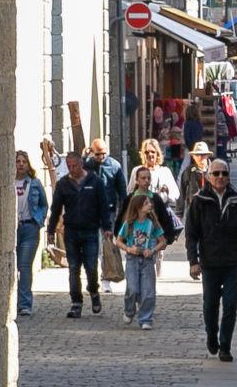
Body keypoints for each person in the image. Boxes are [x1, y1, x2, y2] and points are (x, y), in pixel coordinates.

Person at [184, 159, 237, 361]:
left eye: (224, 173)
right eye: (216, 173)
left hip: (233, 261)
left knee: (231, 305)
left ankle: (225, 345)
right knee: (210, 305)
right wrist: (193, 261)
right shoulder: (200, 200)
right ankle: (211, 334)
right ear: (209, 177)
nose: (220, 177)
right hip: (210, 262)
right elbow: (191, 234)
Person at [46, 149, 116, 319]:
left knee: (91, 266)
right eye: (69, 166)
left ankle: (93, 292)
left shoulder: (95, 182)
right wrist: (51, 230)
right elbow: (56, 209)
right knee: (73, 267)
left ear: (81, 164)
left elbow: (103, 206)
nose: (72, 169)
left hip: (90, 230)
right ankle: (76, 302)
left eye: (74, 166)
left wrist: (107, 227)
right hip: (71, 231)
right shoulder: (63, 184)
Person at [114, 189, 168, 330]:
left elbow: (163, 242)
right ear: (138, 207)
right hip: (132, 259)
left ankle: (146, 318)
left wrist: (153, 250)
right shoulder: (129, 224)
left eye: (149, 203)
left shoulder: (152, 224)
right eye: (146, 203)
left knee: (148, 291)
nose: (150, 205)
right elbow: (118, 241)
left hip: (147, 261)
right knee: (133, 289)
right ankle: (129, 310)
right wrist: (129, 249)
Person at [87, 137, 130, 295]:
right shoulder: (87, 166)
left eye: (104, 153)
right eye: (98, 154)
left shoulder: (114, 166)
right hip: (90, 211)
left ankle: (106, 279)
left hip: (109, 211)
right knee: (93, 246)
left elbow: (122, 191)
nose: (101, 157)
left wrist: (124, 212)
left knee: (106, 245)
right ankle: (93, 278)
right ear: (92, 152)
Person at [14, 149, 48, 318]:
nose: (21, 164)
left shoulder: (34, 183)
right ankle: (11, 303)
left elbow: (44, 204)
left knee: (24, 266)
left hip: (29, 228)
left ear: (28, 164)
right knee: (12, 268)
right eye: (18, 161)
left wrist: (38, 220)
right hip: (13, 229)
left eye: (24, 161)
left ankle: (24, 304)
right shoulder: (8, 183)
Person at [137, 138, 181, 208]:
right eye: (146, 152)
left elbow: (175, 195)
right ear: (143, 154)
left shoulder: (165, 171)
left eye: (153, 152)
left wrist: (166, 191)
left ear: (157, 154)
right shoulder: (137, 171)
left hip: (161, 209)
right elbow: (129, 192)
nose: (150, 154)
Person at [179, 140, 214, 206]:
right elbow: (182, 192)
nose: (200, 157)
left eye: (203, 155)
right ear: (193, 156)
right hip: (193, 208)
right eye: (197, 155)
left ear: (207, 155)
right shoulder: (189, 171)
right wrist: (179, 210)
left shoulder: (214, 170)